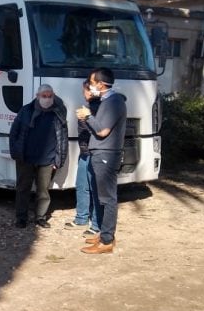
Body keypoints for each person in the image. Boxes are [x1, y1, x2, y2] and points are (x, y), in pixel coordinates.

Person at [76, 67, 127, 254]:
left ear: (101, 84)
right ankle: (104, 234)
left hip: (106, 154)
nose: (89, 85)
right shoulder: (106, 101)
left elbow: (103, 131)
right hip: (100, 153)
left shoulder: (114, 102)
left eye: (91, 82)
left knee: (108, 198)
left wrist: (87, 116)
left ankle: (106, 241)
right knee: (102, 197)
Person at [9, 84, 68, 229]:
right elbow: (14, 132)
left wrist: (59, 159)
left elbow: (63, 138)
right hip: (26, 157)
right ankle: (21, 218)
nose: (47, 99)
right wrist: (15, 152)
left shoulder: (58, 113)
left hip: (47, 159)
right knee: (23, 188)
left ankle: (40, 217)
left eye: (50, 96)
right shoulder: (26, 110)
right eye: (44, 96)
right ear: (37, 96)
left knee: (43, 191)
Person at [65, 78, 102, 236]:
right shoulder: (86, 108)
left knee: (95, 190)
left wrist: (85, 119)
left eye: (85, 90)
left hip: (94, 153)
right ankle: (81, 218)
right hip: (84, 152)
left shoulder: (100, 108)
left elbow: (98, 131)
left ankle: (96, 224)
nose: (83, 93)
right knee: (82, 186)